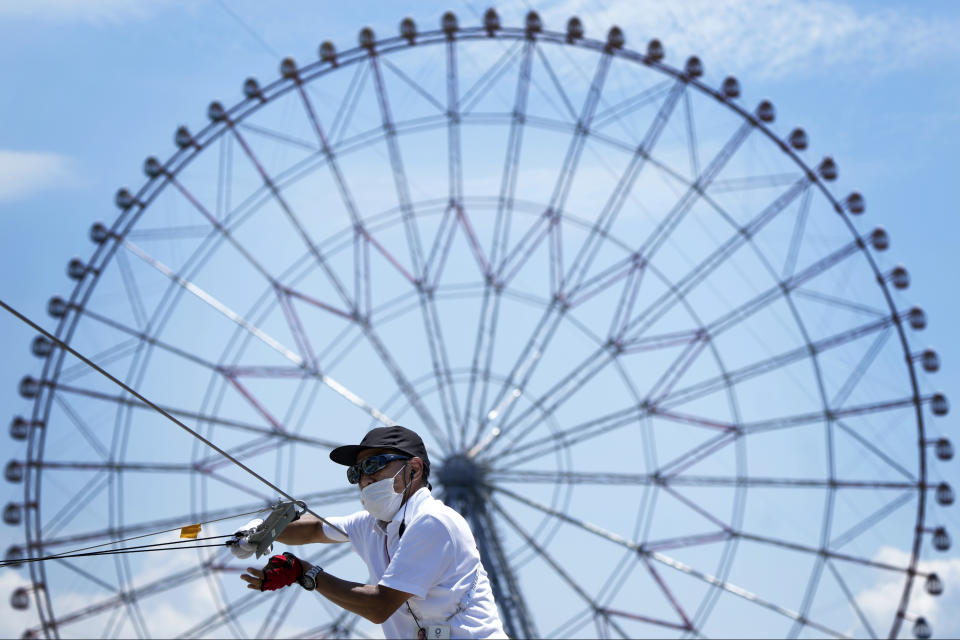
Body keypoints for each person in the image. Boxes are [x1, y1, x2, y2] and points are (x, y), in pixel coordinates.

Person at [236, 425, 508, 639]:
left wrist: (306, 573)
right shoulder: (373, 523)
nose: (364, 479)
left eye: (373, 465)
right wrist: (262, 530)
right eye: (355, 473)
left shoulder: (433, 522)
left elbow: (379, 606)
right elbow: (314, 529)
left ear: (414, 469)